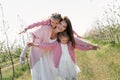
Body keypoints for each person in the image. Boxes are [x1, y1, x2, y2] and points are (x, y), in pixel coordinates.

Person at [27, 31, 99, 80]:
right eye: (64, 40)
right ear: (60, 38)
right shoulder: (56, 44)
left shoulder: (70, 44)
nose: (65, 42)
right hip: (62, 64)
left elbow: (80, 47)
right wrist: (35, 45)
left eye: (67, 40)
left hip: (70, 63)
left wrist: (91, 48)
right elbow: (46, 46)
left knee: (74, 77)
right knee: (66, 77)